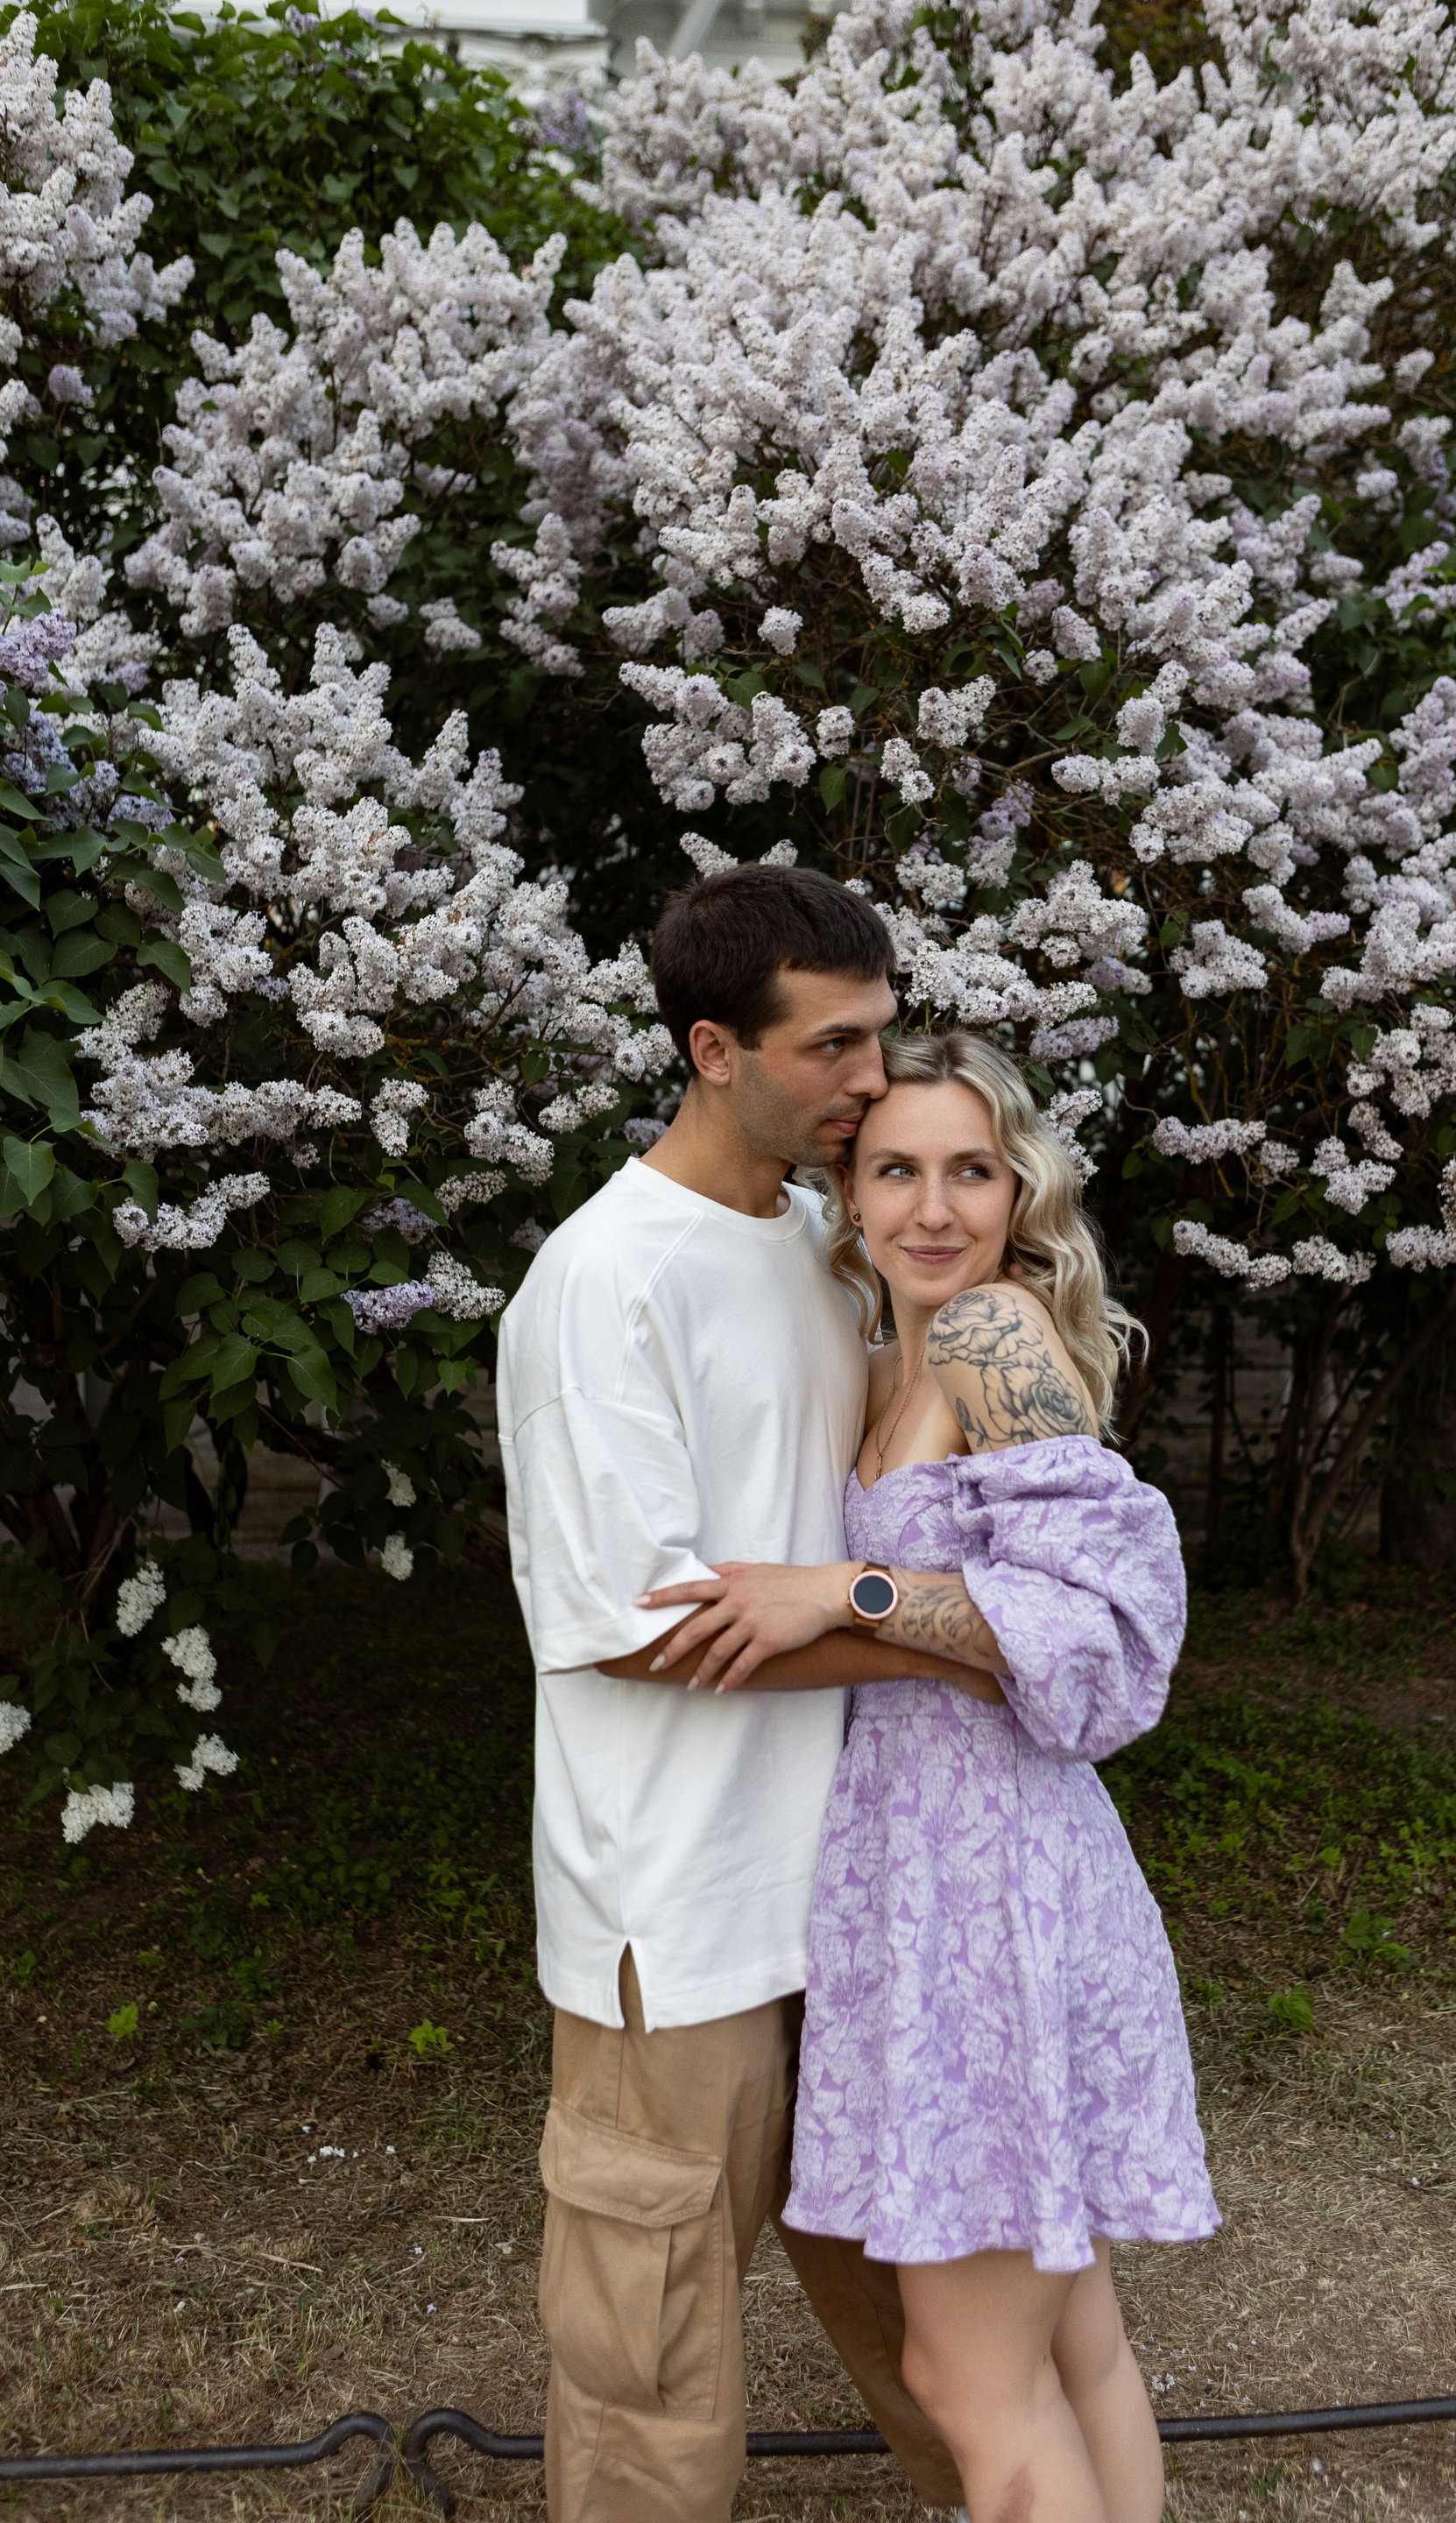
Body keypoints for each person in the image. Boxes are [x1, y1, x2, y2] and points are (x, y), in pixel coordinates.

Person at [640, 1028, 1219, 2523]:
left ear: (1020, 1192)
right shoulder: (893, 1354)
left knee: (972, 2385)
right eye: (897, 1170)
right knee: (1073, 2347)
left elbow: (1105, 1629)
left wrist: (847, 1591)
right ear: (848, 1189)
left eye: (973, 1171)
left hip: (992, 1885)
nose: (936, 1208)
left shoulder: (990, 1336)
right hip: (940, 1877)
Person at [495, 863, 975, 2523]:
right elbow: (646, 1628)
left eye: (879, 1037)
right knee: (653, 2374)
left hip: (862, 1892)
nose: (871, 1080)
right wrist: (957, 1637)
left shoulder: (829, 1247)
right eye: (833, 1048)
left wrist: (914, 1609)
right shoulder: (604, 1279)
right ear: (713, 1049)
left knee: (946, 2325)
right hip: (681, 1920)